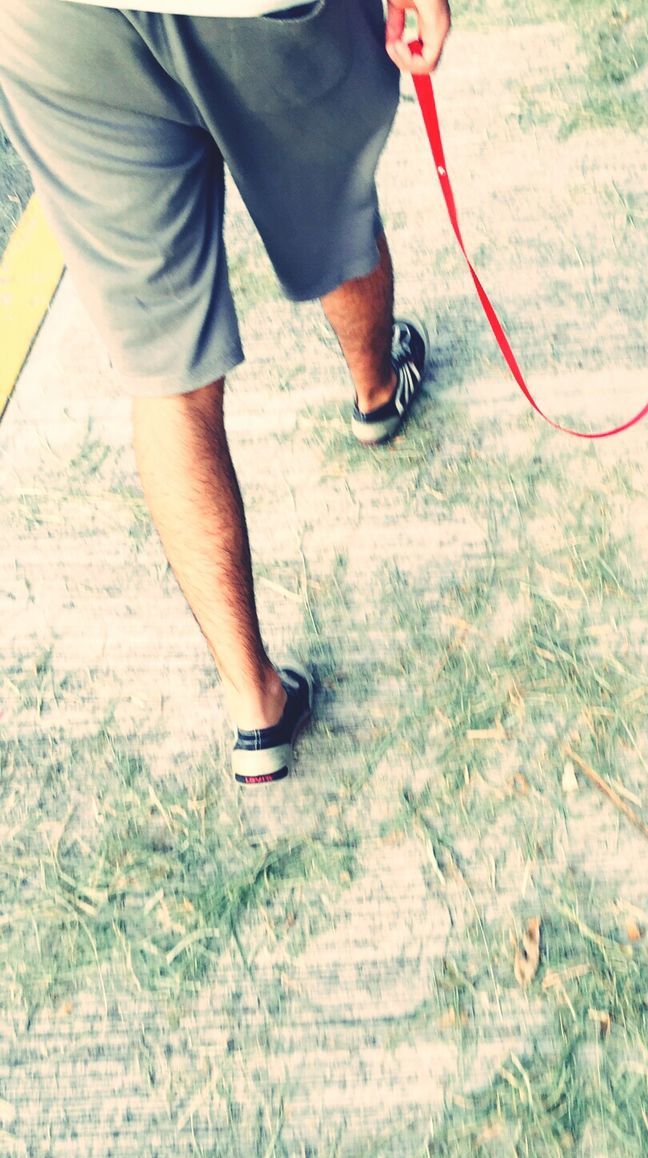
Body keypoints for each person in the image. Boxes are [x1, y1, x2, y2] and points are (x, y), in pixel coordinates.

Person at [0, 0, 452, 784]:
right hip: (254, 10)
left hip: (52, 23)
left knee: (167, 375)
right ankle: (377, 392)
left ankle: (256, 706)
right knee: (330, 213)